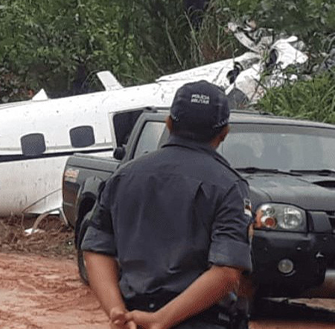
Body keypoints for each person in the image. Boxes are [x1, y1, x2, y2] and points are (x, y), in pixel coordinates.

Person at [82, 81, 253, 329]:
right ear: (224, 132)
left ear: (169, 123)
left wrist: (116, 311)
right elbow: (226, 272)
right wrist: (160, 321)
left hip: (134, 320)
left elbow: (96, 250)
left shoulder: (124, 176)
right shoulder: (229, 186)